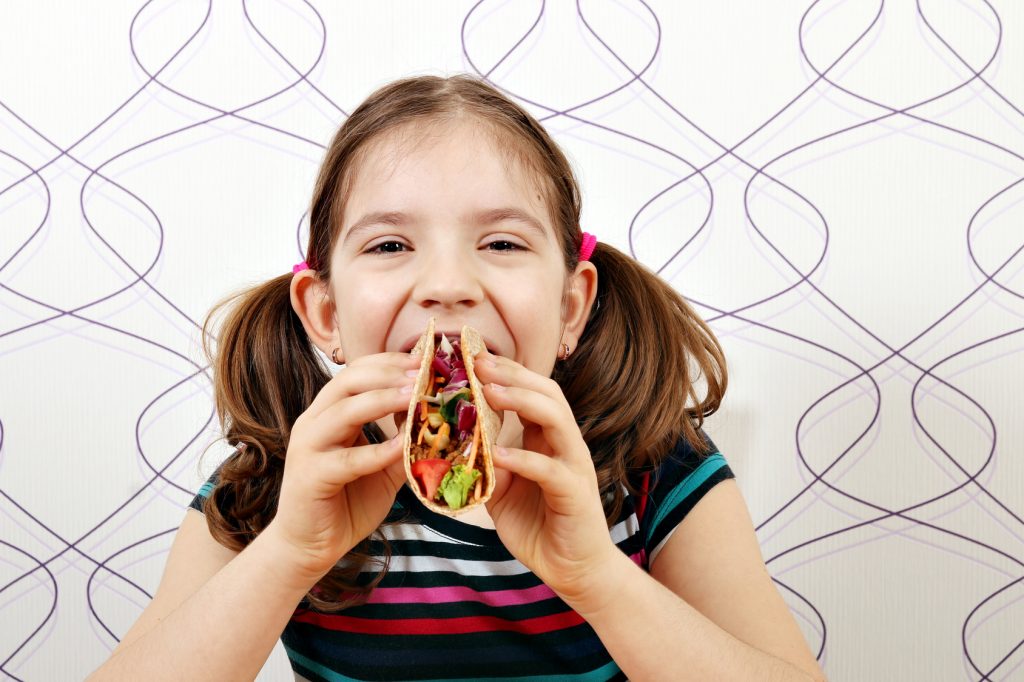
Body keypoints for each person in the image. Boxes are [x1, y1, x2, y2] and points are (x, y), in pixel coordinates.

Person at [89, 74, 825, 682]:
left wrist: (596, 574)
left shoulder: (656, 474)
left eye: (501, 242)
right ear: (326, 314)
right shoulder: (267, 488)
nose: (447, 283)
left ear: (570, 309)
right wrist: (289, 553)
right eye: (390, 244)